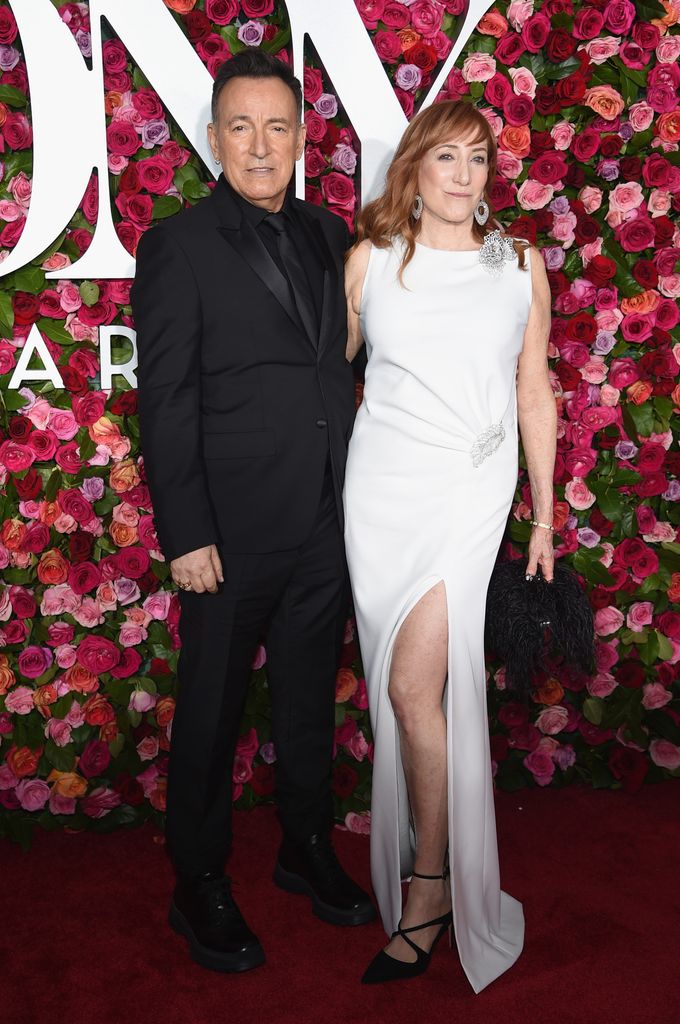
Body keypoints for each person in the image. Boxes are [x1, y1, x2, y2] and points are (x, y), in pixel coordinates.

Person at [131, 50, 374, 975]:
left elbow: (341, 367)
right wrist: (186, 532)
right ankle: (197, 881)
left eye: (279, 126)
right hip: (226, 534)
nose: (261, 144)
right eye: (242, 126)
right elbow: (167, 398)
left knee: (310, 698)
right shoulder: (179, 244)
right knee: (211, 710)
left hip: (325, 519)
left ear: (303, 138)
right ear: (213, 138)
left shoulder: (328, 231)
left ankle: (304, 847)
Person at [343, 100, 556, 990]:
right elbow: (334, 378)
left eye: (479, 160)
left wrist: (544, 515)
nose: (465, 176)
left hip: (468, 497)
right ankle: (417, 840)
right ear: (416, 170)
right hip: (379, 497)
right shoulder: (371, 263)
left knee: (407, 683)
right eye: (447, 158)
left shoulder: (520, 268)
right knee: (403, 690)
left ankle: (430, 883)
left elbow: (534, 393)